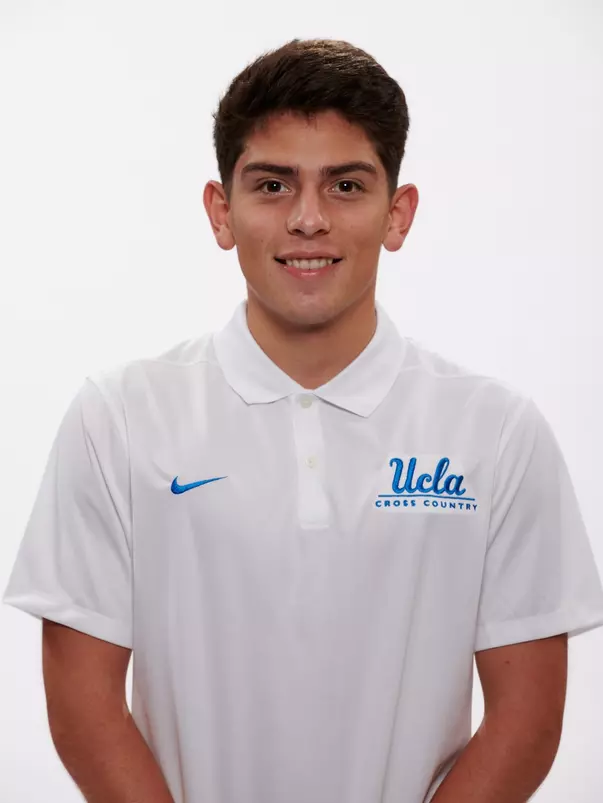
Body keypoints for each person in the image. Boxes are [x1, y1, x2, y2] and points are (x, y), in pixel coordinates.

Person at [3, 37, 603, 803]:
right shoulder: (119, 418)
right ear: (222, 212)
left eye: (346, 184)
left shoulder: (495, 432)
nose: (308, 219)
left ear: (398, 212)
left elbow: (527, 720)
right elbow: (83, 707)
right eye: (273, 184)